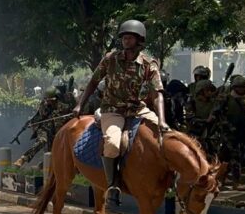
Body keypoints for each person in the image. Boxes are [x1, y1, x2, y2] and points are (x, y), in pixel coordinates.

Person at [74, 20, 167, 201]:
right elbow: (93, 82)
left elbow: (157, 95)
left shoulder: (149, 63)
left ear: (139, 40)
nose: (125, 41)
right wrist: (80, 104)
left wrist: (162, 120)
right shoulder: (110, 59)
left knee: (167, 136)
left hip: (137, 108)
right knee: (113, 143)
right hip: (112, 109)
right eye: (124, 37)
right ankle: (112, 185)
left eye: (129, 38)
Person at [215, 75, 245, 188]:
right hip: (228, 133)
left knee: (225, 157)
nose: (242, 89)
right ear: (234, 87)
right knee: (235, 157)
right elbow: (218, 114)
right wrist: (227, 126)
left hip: (243, 132)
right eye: (240, 87)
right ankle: (235, 182)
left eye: (244, 87)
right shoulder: (226, 98)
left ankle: (220, 180)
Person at [14, 90, 69, 167]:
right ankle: (23, 159)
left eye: (49, 100)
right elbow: (38, 117)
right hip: (44, 128)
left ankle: (41, 167)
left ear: (55, 99)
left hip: (56, 132)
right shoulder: (44, 105)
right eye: (46, 99)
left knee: (52, 153)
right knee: (42, 141)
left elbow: (69, 119)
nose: (47, 101)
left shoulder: (63, 107)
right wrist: (32, 123)